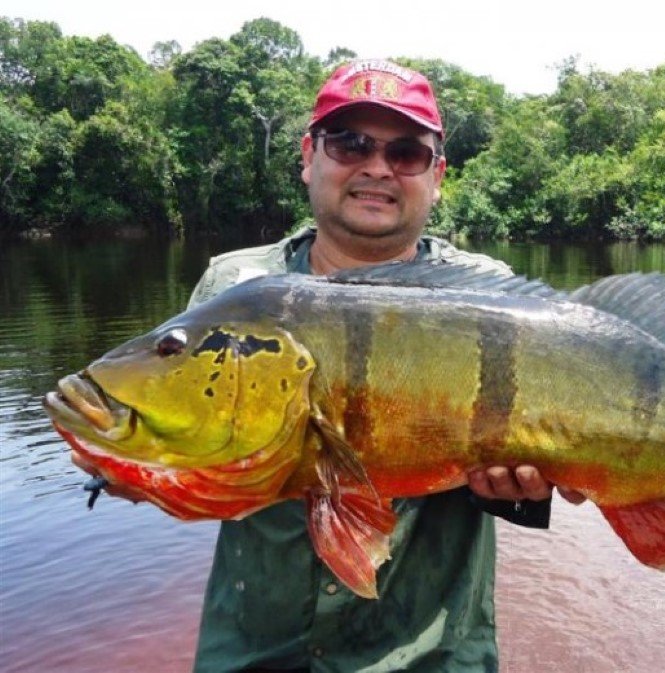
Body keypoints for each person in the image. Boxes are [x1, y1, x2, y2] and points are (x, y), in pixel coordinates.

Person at [74, 59, 583, 672]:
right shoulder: (234, 285)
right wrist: (132, 465)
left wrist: (523, 490)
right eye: (351, 143)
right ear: (309, 156)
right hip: (255, 652)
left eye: (406, 152)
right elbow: (208, 445)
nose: (376, 167)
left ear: (438, 175)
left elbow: (540, 469)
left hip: (428, 656)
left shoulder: (491, 299)